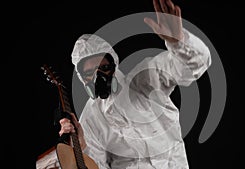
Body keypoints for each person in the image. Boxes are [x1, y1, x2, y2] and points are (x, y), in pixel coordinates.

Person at [57, 0, 211, 168]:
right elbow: (97, 166)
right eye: (89, 73)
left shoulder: (145, 80)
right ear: (82, 78)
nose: (98, 77)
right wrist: (82, 146)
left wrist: (179, 42)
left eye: (104, 68)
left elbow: (195, 64)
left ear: (114, 66)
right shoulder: (91, 119)